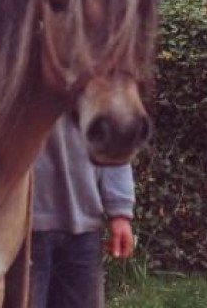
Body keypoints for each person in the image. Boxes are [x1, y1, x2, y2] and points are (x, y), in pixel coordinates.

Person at [30, 114, 135, 308]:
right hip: (24, 229)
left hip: (84, 230)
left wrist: (120, 213)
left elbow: (114, 142)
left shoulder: (99, 86)